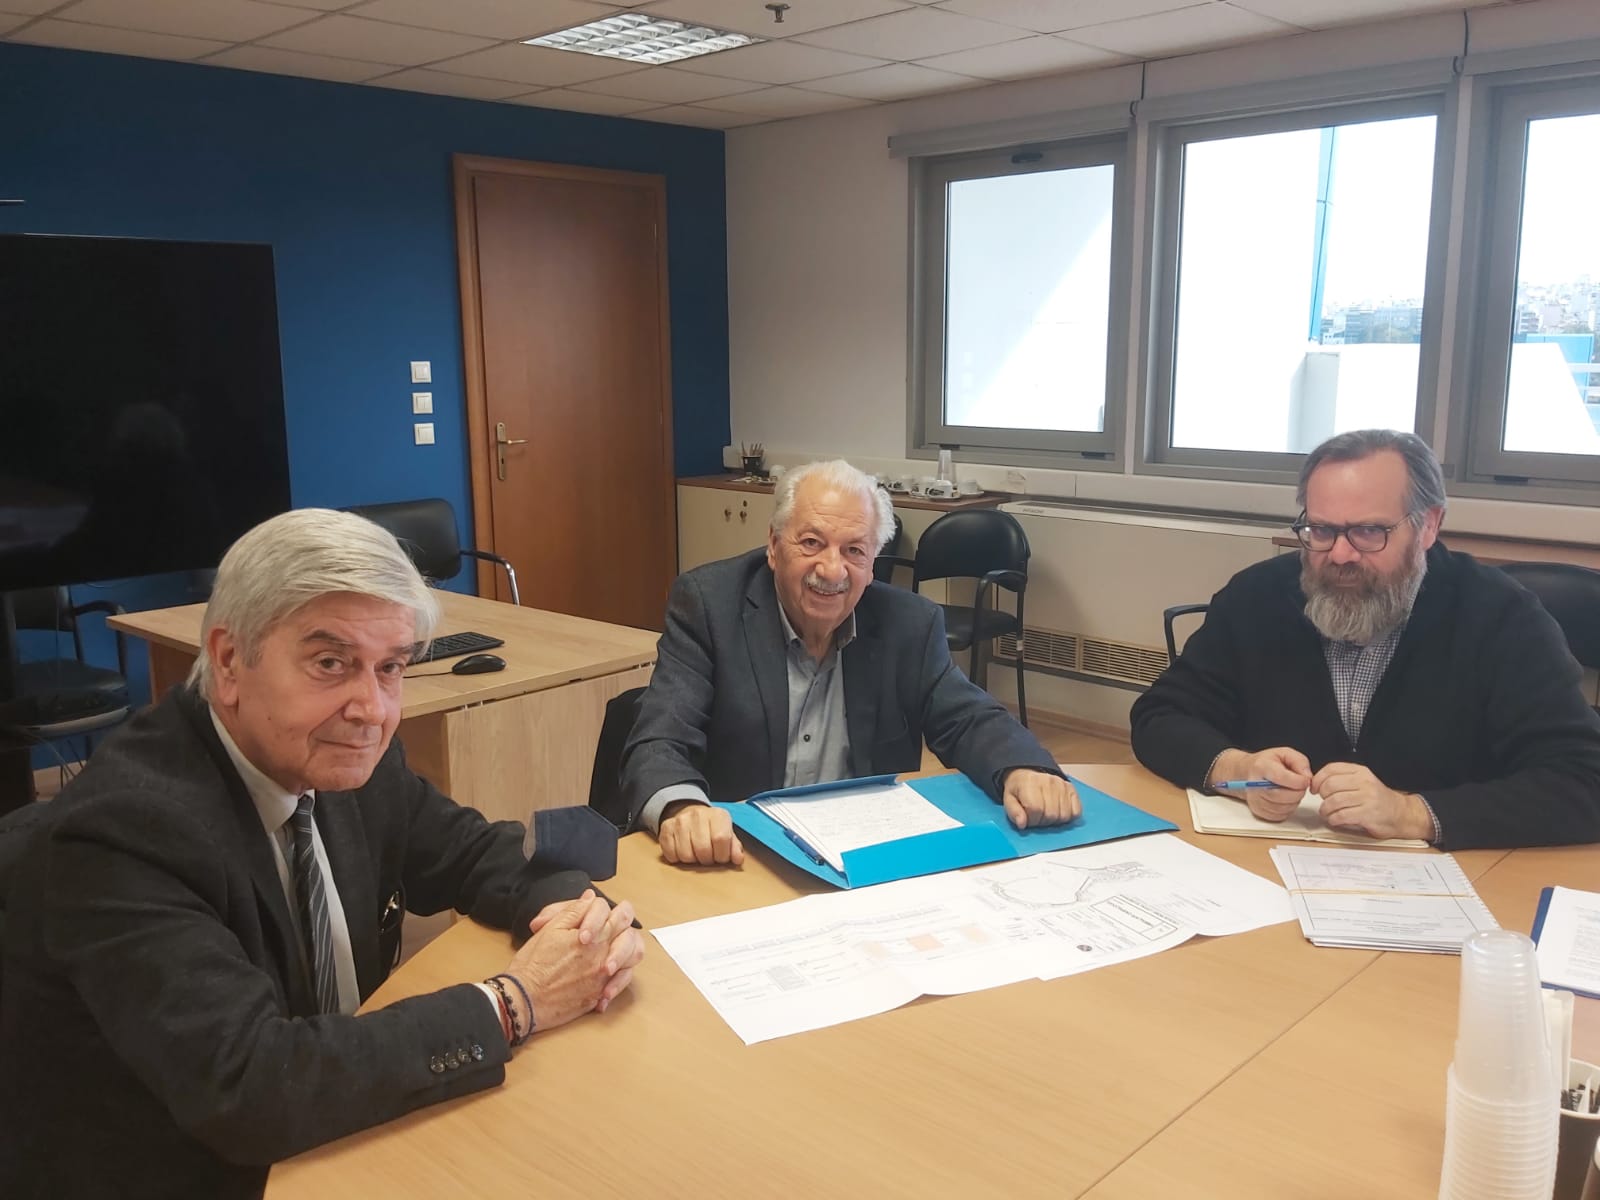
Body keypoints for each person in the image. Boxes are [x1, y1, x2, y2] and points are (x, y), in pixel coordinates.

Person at [0, 509, 645, 1198]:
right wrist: (514, 1002)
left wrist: (578, 921)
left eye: (391, 668)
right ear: (229, 661)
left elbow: (474, 852)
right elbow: (250, 1087)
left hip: (334, 1137)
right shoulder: (126, 831)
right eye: (330, 663)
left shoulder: (342, 758)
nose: (372, 709)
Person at [1130, 429, 1600, 850]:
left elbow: (1584, 780)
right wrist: (1238, 770)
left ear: (1428, 526)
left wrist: (1410, 813)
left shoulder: (1500, 616)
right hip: (1271, 863)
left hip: (1454, 881)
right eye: (1321, 530)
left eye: (1369, 531)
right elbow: (1160, 716)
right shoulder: (1258, 597)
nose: (1340, 554)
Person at [622, 459, 1079, 867]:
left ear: (873, 563)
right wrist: (683, 809)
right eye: (811, 542)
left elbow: (967, 718)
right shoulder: (710, 606)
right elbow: (660, 738)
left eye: (854, 550)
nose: (832, 570)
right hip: (742, 856)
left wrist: (1023, 766)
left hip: (858, 858)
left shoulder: (909, 624)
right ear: (774, 545)